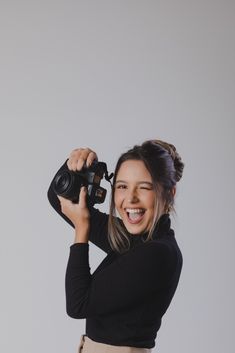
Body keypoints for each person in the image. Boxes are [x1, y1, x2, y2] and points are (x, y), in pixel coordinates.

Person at [47, 139, 185, 353]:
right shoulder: (135, 239)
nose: (130, 199)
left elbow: (78, 304)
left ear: (169, 194)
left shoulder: (158, 252)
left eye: (144, 187)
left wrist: (81, 228)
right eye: (122, 186)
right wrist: (77, 165)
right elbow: (58, 200)